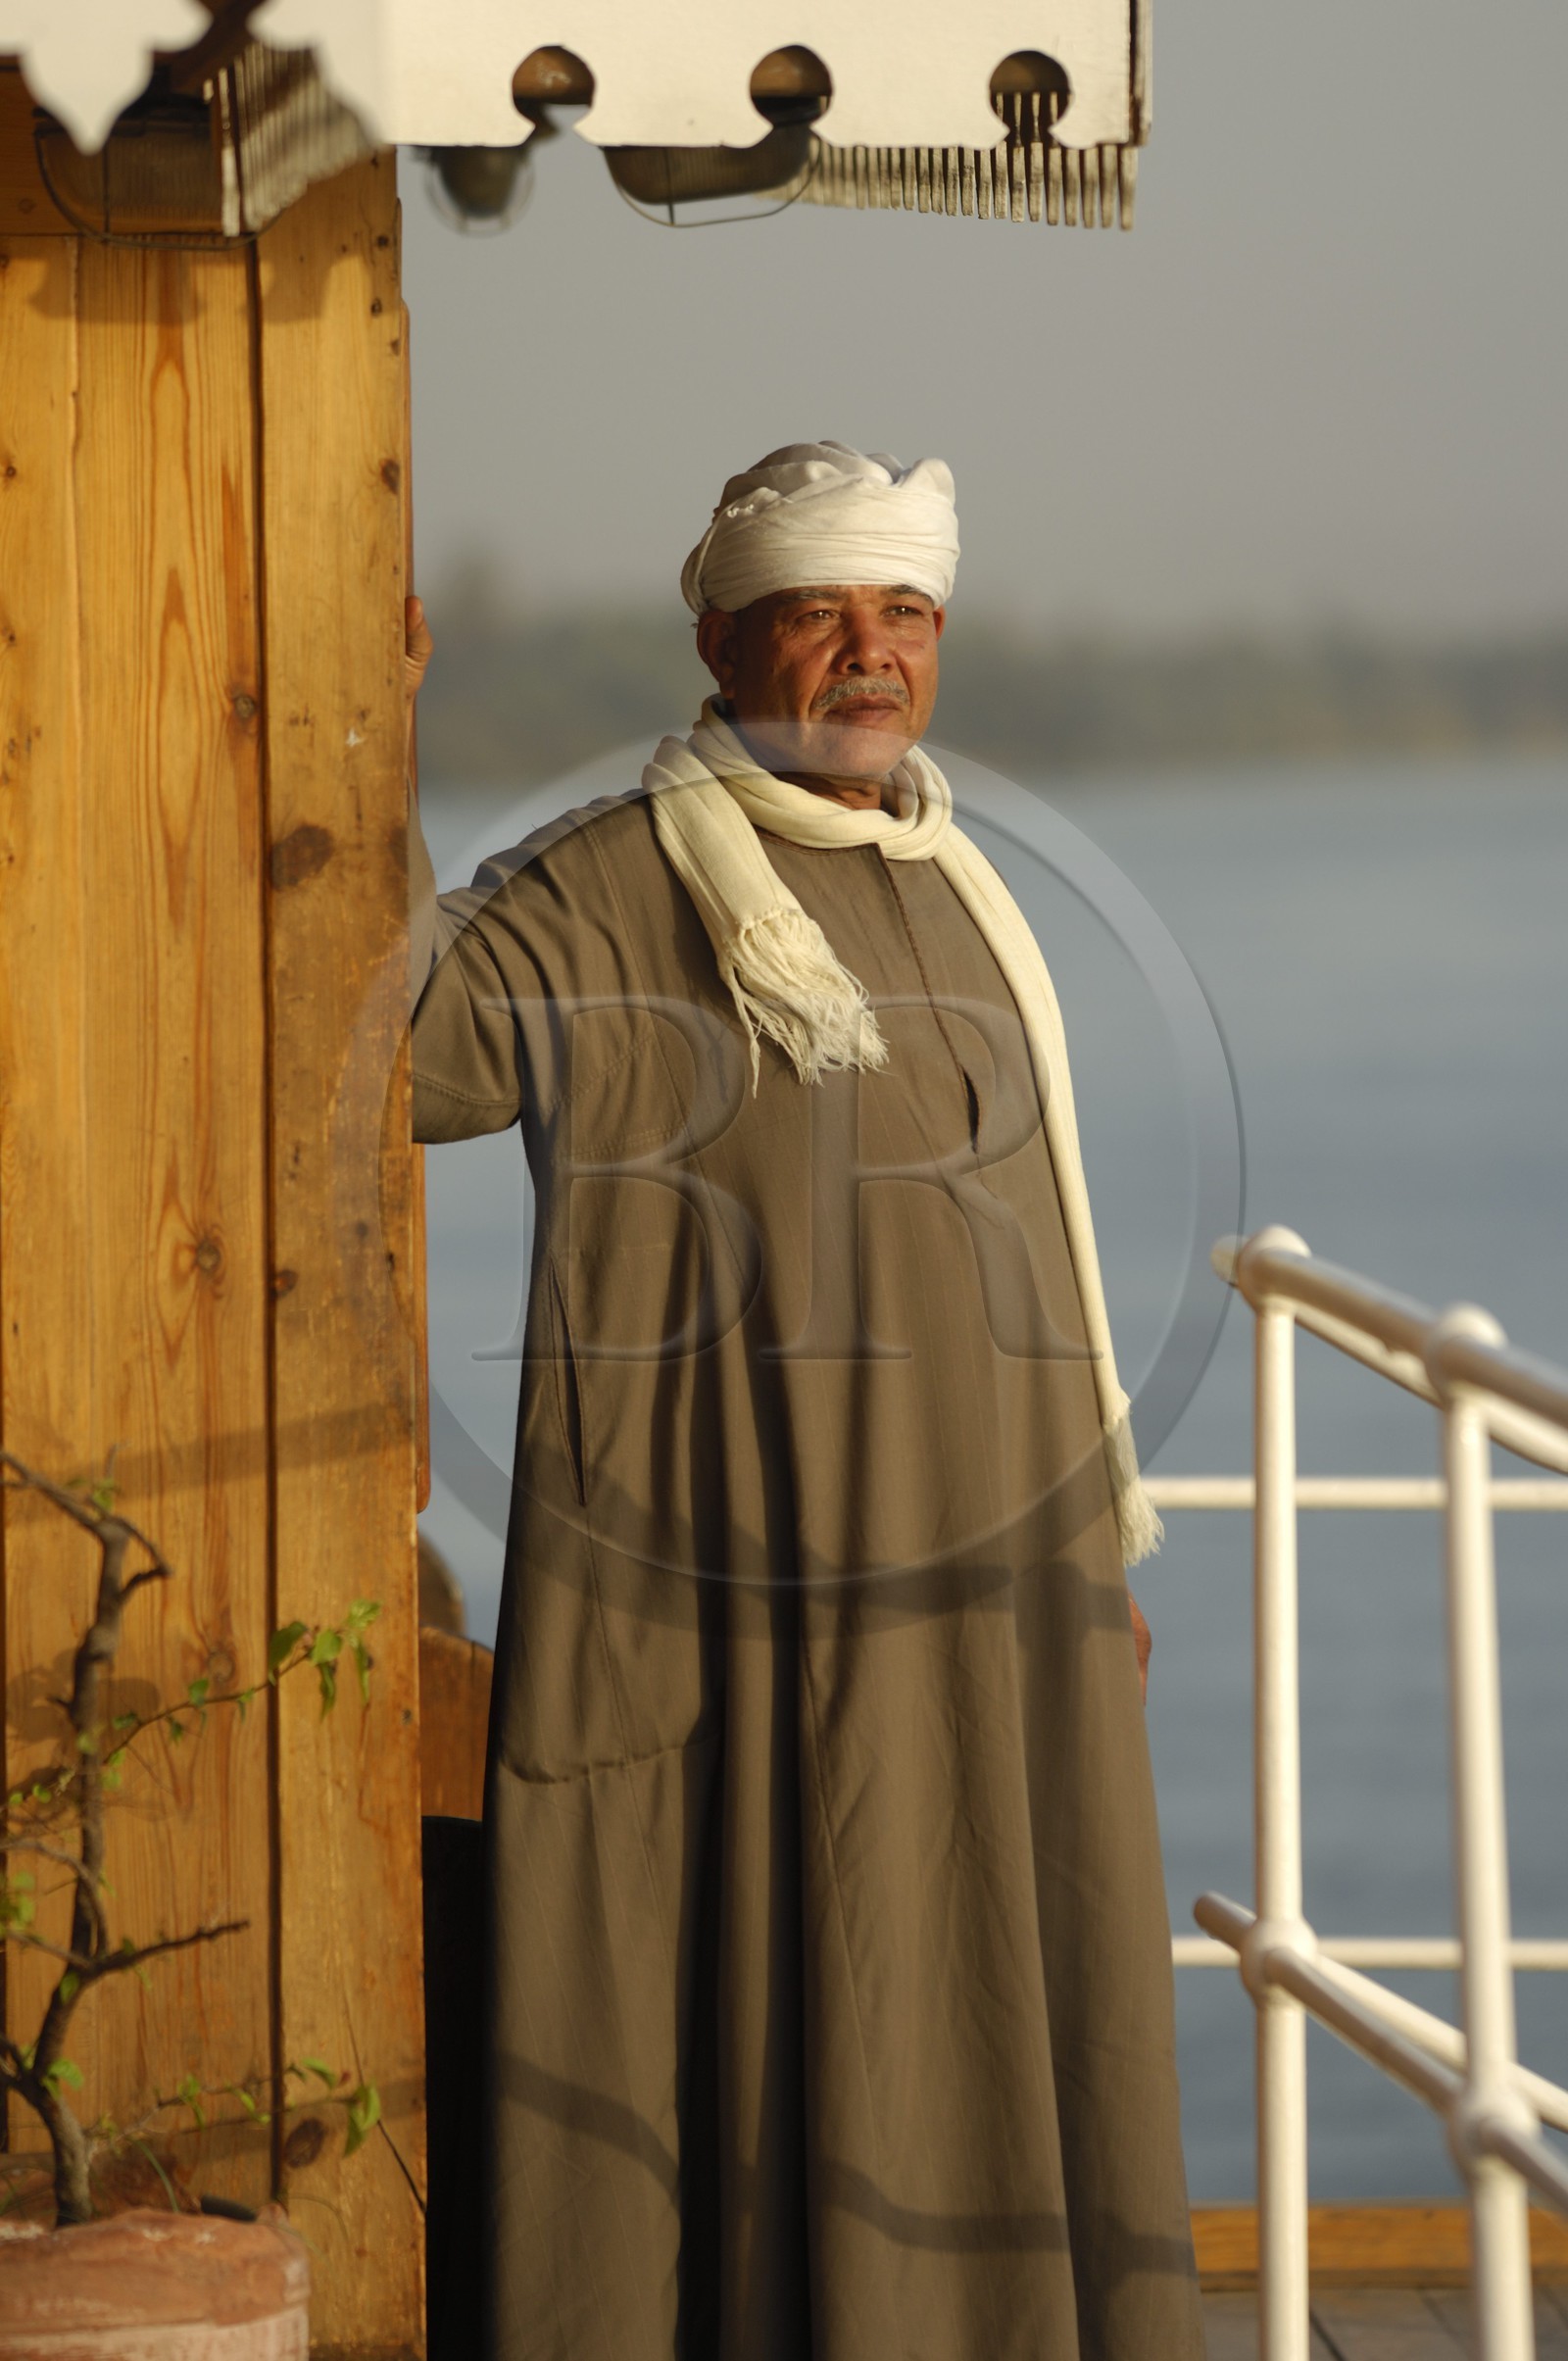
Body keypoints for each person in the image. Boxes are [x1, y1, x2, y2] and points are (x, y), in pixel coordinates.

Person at [405, 443, 1201, 2361]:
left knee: (989, 1960)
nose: (870, 652)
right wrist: (362, 742)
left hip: (994, 1574)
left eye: (904, 613)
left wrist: (1090, 1535)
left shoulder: (959, 880)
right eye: (820, 611)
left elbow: (1029, 1243)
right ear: (719, 634)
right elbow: (404, 1063)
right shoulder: (601, 889)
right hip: (724, 1580)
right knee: (773, 1951)